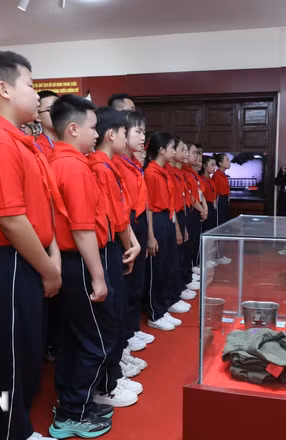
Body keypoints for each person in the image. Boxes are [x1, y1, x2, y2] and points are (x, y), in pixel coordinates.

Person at [0, 50, 64, 440]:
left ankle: (16, 427)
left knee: (24, 350)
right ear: (4, 89)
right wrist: (48, 268)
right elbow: (10, 219)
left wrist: (51, 254)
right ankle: (10, 432)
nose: (37, 94)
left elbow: (38, 207)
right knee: (8, 354)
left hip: (28, 257)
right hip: (8, 261)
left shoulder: (15, 138)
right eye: (30, 84)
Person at [46, 94, 114, 437]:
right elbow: (83, 229)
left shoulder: (56, 161)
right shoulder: (73, 167)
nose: (96, 134)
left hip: (68, 263)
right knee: (96, 340)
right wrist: (98, 276)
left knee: (71, 340)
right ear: (73, 129)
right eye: (93, 127)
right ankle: (75, 412)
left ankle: (71, 404)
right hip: (79, 262)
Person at [88, 107, 142, 404]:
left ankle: (114, 370)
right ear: (112, 135)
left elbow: (121, 212)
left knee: (118, 311)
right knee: (108, 317)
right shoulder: (100, 167)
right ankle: (106, 383)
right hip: (107, 246)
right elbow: (114, 216)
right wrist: (129, 242)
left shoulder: (109, 166)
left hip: (116, 244)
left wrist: (132, 242)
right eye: (125, 132)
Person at [112, 110, 155, 352]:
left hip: (137, 223)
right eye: (137, 132)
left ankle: (132, 329)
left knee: (137, 280)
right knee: (126, 283)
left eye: (144, 132)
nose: (142, 137)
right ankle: (125, 335)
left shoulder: (135, 164)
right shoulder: (116, 163)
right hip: (125, 225)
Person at [143, 132, 181, 332]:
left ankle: (163, 307)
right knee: (156, 268)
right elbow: (148, 207)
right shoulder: (150, 173)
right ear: (161, 150)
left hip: (166, 218)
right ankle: (154, 312)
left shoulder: (164, 170)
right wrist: (150, 236)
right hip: (156, 220)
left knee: (166, 265)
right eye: (172, 148)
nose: (174, 151)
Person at [166, 139, 196, 314]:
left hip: (182, 213)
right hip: (172, 216)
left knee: (182, 252)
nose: (186, 154)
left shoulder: (179, 173)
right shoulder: (166, 172)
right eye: (182, 150)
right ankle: (175, 291)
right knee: (173, 258)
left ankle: (180, 286)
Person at [183, 143, 208, 278]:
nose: (196, 157)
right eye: (193, 153)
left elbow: (199, 193)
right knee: (188, 243)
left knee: (194, 240)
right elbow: (190, 196)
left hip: (197, 210)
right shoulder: (184, 173)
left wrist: (205, 207)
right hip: (190, 210)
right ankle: (189, 270)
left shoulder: (193, 175)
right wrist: (202, 209)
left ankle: (193, 266)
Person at [212, 153, 232, 264]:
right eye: (227, 160)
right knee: (219, 229)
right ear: (220, 163)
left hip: (224, 203)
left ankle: (221, 254)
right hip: (219, 204)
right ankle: (217, 256)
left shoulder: (223, 175)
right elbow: (215, 195)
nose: (229, 162)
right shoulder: (217, 176)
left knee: (223, 229)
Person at [35, 90, 59, 159]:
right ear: (38, 117)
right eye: (50, 110)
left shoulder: (73, 141)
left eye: (59, 108)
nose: (58, 113)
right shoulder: (37, 147)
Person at [199, 155, 217, 234]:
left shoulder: (211, 180)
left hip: (212, 206)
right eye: (212, 165)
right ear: (204, 166)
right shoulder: (201, 179)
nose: (214, 167)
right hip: (205, 206)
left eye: (215, 165)